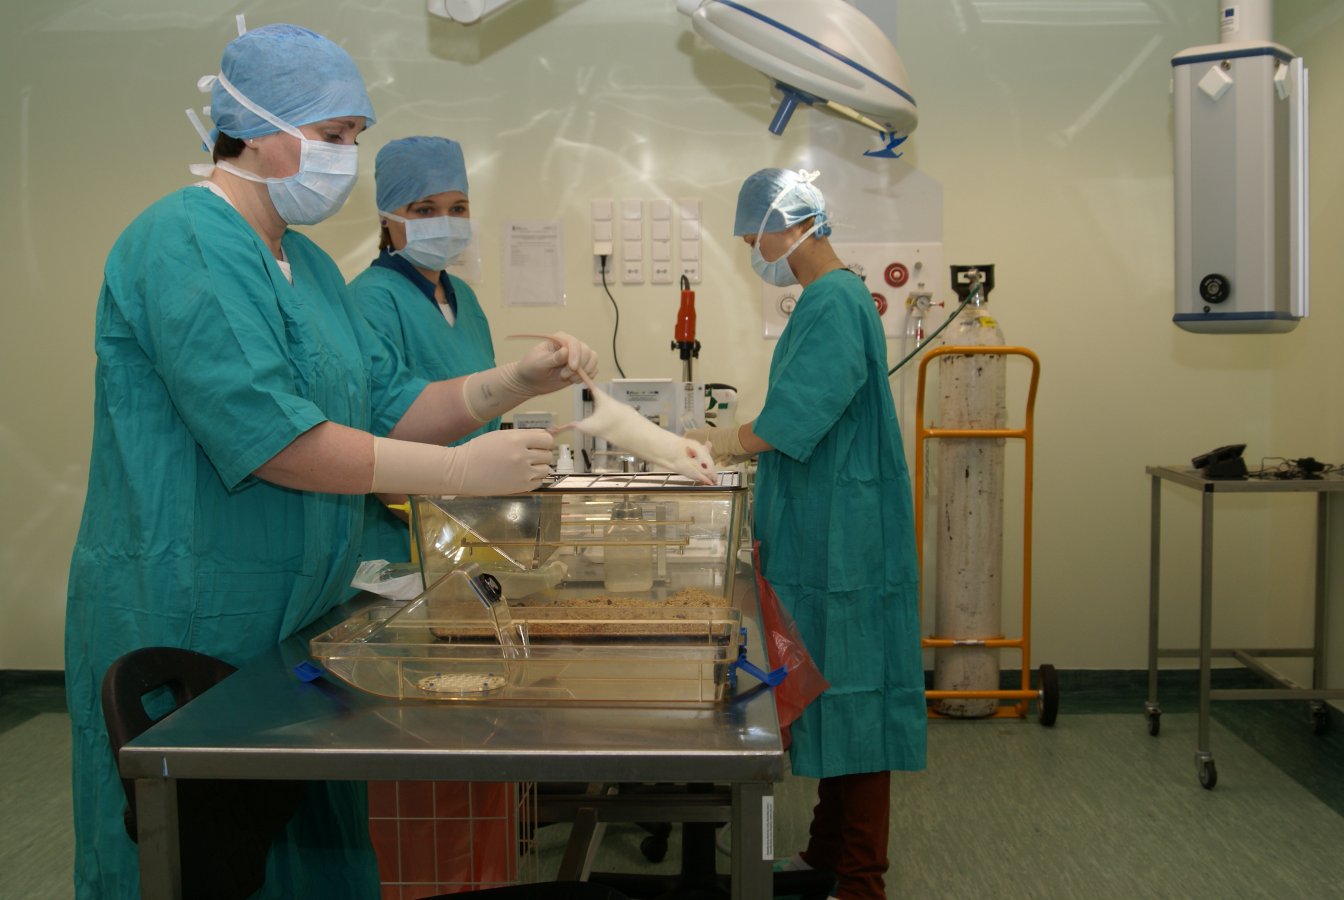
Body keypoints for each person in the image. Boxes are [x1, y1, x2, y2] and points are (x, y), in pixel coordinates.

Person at [64, 23, 595, 900]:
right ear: (256, 128)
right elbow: (274, 440)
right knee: (198, 858)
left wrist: (507, 383)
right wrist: (461, 475)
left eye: (354, 135)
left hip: (298, 615)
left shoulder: (306, 265)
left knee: (307, 854)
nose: (347, 157)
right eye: (334, 134)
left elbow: (385, 415)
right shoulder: (183, 241)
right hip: (192, 607)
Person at [685, 168, 927, 900]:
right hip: (827, 528)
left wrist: (718, 442)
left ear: (789, 226)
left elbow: (795, 418)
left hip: (846, 537)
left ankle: (860, 879)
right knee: (833, 695)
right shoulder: (829, 299)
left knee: (857, 700)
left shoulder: (834, 300)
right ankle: (826, 854)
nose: (751, 251)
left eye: (751, 237)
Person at [350, 136, 497, 563]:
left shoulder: (464, 298)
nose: (445, 222)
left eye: (458, 209)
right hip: (404, 537)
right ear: (387, 217)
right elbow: (373, 436)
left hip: (470, 522)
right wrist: (442, 531)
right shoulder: (371, 300)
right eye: (425, 210)